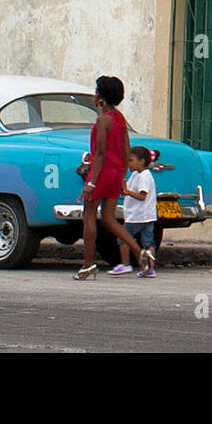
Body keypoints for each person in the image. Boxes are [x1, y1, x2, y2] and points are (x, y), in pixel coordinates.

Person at [74, 75, 147, 280]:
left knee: (89, 216)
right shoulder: (119, 118)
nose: (94, 95)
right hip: (115, 173)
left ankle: (88, 265)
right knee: (109, 219)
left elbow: (100, 154)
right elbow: (126, 149)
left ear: (102, 98)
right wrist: (122, 175)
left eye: (97, 92)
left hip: (102, 173)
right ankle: (139, 252)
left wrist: (90, 183)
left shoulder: (103, 120)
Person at [110, 144, 158, 278]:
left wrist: (128, 192)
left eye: (131, 160)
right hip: (148, 216)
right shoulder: (136, 174)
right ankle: (149, 269)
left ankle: (126, 264)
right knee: (149, 243)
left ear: (141, 161)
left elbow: (142, 196)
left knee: (123, 239)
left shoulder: (144, 176)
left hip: (137, 216)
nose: (128, 164)